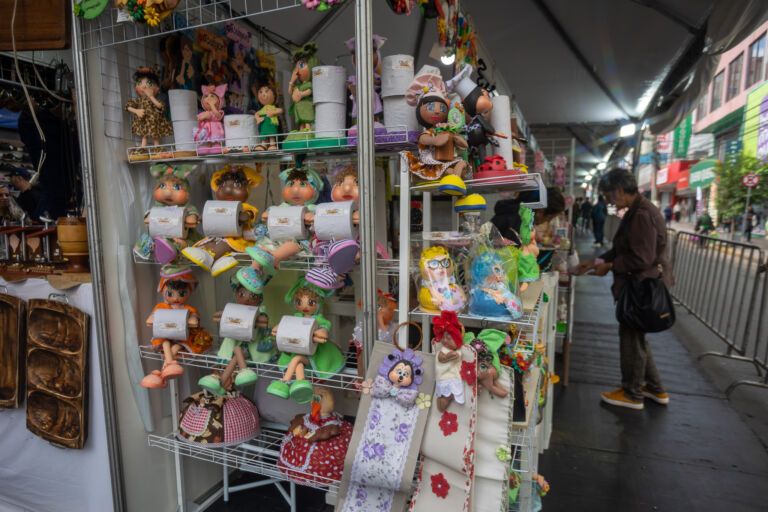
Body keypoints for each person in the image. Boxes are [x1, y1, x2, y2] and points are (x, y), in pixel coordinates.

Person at [576, 168, 672, 410]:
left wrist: (609, 265)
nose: (607, 199)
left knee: (631, 340)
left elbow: (641, 258)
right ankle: (655, 387)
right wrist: (598, 261)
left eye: (608, 194)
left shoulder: (641, 214)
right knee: (637, 338)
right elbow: (623, 249)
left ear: (618, 190)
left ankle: (632, 393)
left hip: (639, 287)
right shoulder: (637, 210)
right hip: (639, 285)